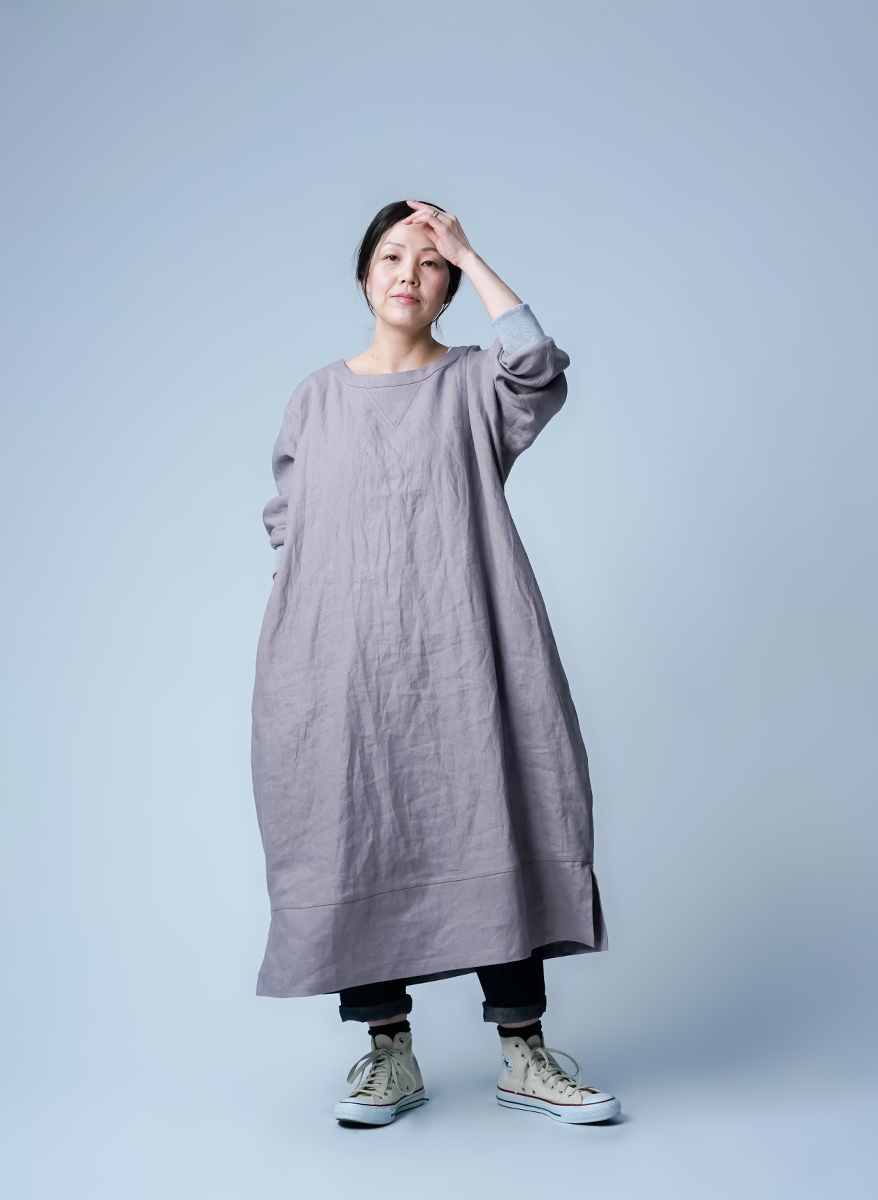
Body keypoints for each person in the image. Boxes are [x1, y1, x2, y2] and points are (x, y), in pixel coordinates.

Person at [252, 199, 619, 1126]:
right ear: (364, 276)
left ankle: (524, 1053)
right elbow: (290, 521)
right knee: (352, 824)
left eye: (429, 262)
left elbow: (535, 363)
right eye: (391, 257)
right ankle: (389, 1054)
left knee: (496, 810)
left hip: (466, 647)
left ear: (449, 286)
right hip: (339, 664)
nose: (408, 274)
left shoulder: (473, 385)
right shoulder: (316, 397)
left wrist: (471, 250)